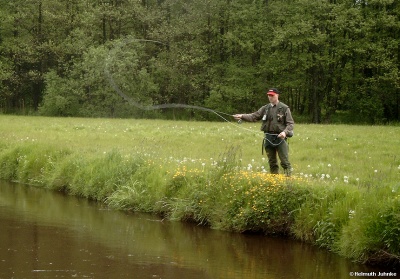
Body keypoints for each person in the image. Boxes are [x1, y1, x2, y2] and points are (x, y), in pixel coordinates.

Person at [233, 88, 294, 176]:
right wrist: (242, 116)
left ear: (277, 95)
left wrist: (284, 132)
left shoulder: (284, 108)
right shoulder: (265, 108)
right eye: (269, 95)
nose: (270, 97)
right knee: (272, 163)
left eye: (272, 95)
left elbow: (290, 124)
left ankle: (289, 182)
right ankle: (274, 181)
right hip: (268, 138)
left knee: (285, 162)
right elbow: (254, 116)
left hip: (280, 138)